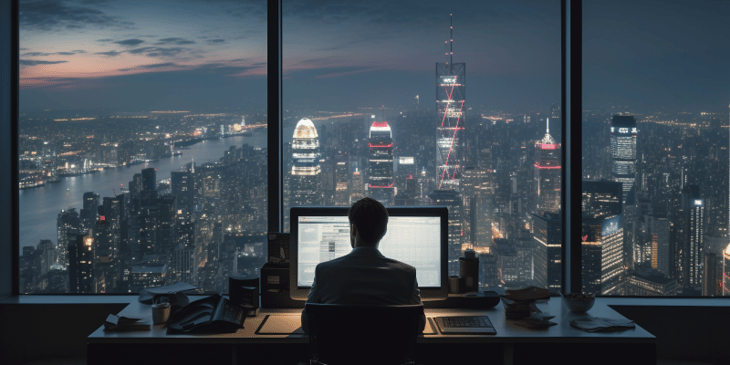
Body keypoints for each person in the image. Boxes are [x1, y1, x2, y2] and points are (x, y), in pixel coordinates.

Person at [301, 197, 425, 333]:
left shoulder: (323, 271)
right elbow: (418, 325)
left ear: (353, 230)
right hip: (387, 354)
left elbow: (307, 324)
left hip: (339, 354)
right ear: (383, 232)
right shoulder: (407, 273)